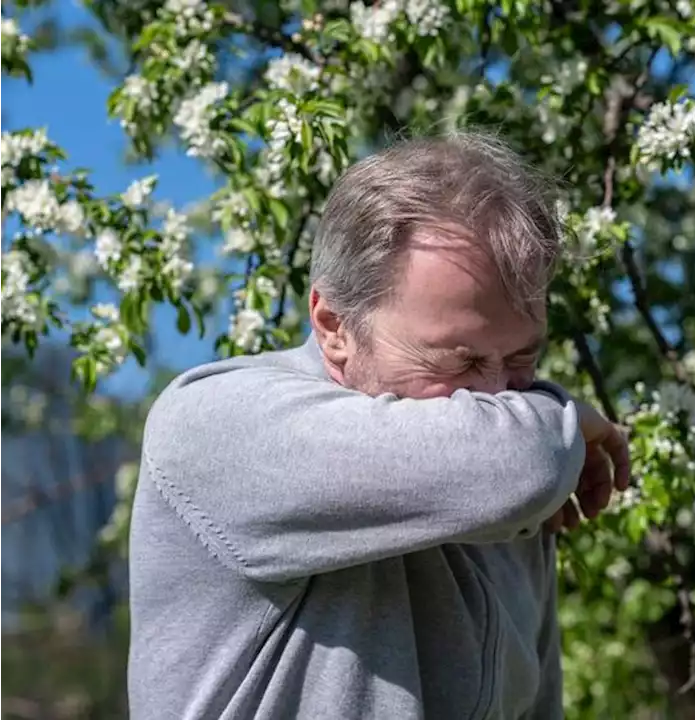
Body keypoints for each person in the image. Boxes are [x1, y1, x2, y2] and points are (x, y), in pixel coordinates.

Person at [126, 131, 631, 719]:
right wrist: (557, 431)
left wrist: (548, 438)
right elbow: (523, 460)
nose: (499, 395)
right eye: (460, 361)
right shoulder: (211, 422)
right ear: (334, 324)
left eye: (522, 359)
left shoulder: (520, 486)